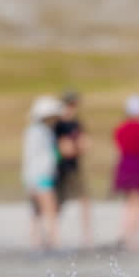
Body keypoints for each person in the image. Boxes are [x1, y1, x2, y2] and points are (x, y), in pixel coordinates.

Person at [112, 95, 139, 252]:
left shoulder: (120, 128)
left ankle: (126, 234)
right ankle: (130, 238)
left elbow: (118, 146)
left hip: (124, 165)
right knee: (136, 204)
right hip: (138, 166)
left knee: (128, 203)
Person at [22, 96, 63, 252]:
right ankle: (54, 240)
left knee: (36, 212)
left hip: (33, 176)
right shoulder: (39, 132)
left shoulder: (37, 131)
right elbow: (36, 156)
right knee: (49, 210)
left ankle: (36, 241)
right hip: (41, 176)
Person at [54, 91, 92, 247]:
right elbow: (65, 149)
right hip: (60, 168)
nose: (72, 108)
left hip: (75, 167)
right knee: (57, 203)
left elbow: (86, 144)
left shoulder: (76, 123)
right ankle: (52, 236)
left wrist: (76, 147)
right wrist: (76, 147)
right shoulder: (58, 124)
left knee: (84, 199)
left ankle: (87, 238)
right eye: (70, 105)